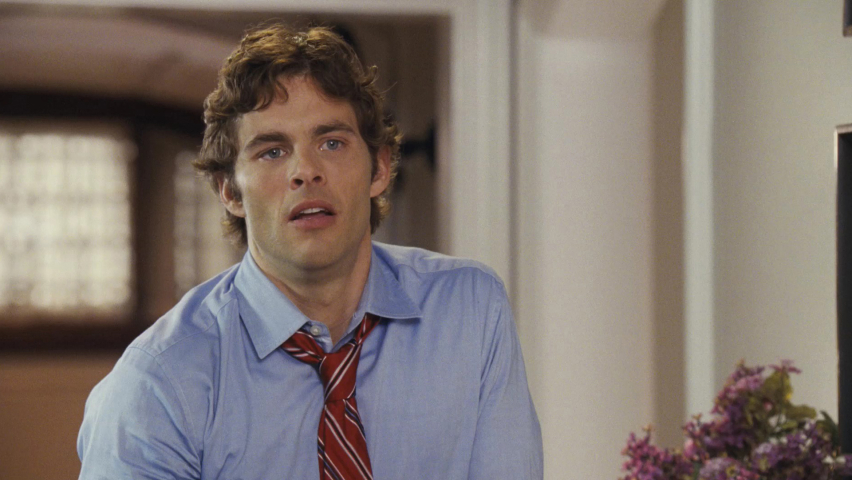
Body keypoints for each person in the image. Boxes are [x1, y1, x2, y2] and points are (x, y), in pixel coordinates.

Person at [77, 23, 542, 480]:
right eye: (272, 151)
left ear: (379, 169)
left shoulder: (468, 309)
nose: (306, 171)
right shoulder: (157, 382)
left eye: (332, 143)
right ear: (230, 192)